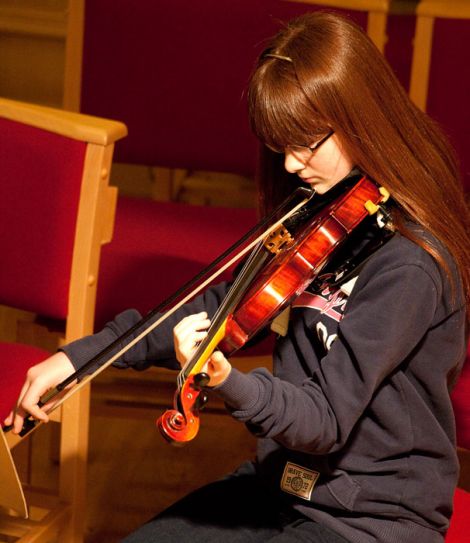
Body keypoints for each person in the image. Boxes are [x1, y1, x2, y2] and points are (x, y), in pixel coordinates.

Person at [4, 11, 470, 543]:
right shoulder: (327, 216)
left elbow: (325, 420)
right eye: (280, 147)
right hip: (283, 485)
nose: (292, 165)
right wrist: (79, 356)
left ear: (362, 118)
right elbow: (219, 305)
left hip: (374, 518)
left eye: (307, 144)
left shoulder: (407, 265)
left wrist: (227, 381)